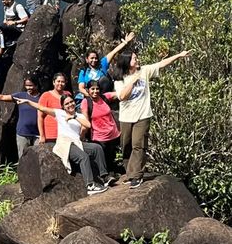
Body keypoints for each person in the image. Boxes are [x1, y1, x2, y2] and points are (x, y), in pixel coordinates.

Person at [113, 49, 191, 189]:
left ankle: (136, 175)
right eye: (134, 59)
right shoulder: (119, 79)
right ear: (126, 62)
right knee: (126, 146)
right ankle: (130, 173)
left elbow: (161, 64)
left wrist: (179, 55)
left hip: (143, 115)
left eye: (136, 58)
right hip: (126, 117)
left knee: (139, 145)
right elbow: (122, 96)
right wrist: (133, 81)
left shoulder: (145, 71)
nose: (137, 60)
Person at [15, 93, 109, 195]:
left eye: (71, 102)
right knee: (83, 157)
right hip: (65, 143)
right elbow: (41, 108)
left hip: (77, 142)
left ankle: (104, 177)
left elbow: (88, 125)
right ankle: (90, 186)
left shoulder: (79, 115)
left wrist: (74, 116)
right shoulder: (59, 113)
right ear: (63, 106)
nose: (70, 105)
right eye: (67, 104)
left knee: (97, 148)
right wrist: (28, 102)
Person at [0, 75, 40, 158]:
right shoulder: (21, 96)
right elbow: (2, 97)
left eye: (31, 85)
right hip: (23, 132)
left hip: (38, 134)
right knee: (23, 158)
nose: (28, 88)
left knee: (37, 159)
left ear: (36, 85)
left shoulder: (42, 98)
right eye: (27, 85)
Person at [77, 32, 135, 100]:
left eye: (95, 58)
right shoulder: (83, 71)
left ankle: (103, 99)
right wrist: (89, 96)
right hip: (91, 94)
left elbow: (114, 52)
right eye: (92, 58)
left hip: (103, 93)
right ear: (87, 59)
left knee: (103, 79)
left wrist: (125, 42)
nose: (94, 60)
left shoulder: (102, 64)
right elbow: (81, 87)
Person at [81, 80, 120, 182]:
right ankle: (105, 177)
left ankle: (112, 175)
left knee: (111, 157)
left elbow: (120, 93)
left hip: (112, 134)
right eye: (92, 89)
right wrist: (82, 135)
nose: (95, 91)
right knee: (103, 157)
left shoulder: (104, 97)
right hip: (98, 136)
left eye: (97, 89)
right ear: (88, 90)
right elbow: (85, 120)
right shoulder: (86, 102)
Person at [38, 72, 71, 143]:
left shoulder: (68, 95)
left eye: (62, 82)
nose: (60, 84)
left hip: (65, 134)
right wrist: (42, 135)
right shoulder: (46, 95)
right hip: (50, 134)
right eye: (58, 81)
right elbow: (40, 117)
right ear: (53, 82)